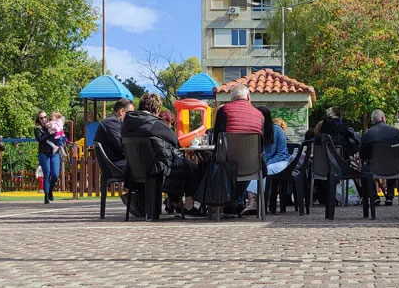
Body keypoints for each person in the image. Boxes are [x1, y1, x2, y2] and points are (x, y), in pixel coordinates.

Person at [123, 93, 201, 218]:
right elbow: (176, 141)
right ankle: (188, 206)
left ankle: (172, 202)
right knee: (193, 168)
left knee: (174, 163)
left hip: (134, 172)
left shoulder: (127, 123)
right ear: (157, 109)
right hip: (156, 170)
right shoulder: (154, 124)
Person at [211, 84, 264, 212]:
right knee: (245, 164)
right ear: (248, 97)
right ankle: (236, 201)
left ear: (232, 98)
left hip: (228, 164)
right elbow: (261, 144)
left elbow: (216, 138)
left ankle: (226, 202)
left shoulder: (224, 111)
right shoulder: (259, 115)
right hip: (252, 165)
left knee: (215, 163)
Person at [244, 106, 290, 215]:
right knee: (252, 170)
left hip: (280, 162)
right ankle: (253, 201)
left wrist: (265, 163)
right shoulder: (254, 131)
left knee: (265, 170)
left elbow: (282, 154)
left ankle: (256, 202)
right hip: (262, 163)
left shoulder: (277, 130)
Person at [359, 109, 399, 206]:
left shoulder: (367, 134)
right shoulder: (396, 132)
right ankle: (390, 197)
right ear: (383, 118)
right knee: (393, 162)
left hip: (375, 168)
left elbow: (362, 155)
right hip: (394, 168)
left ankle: (374, 196)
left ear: (372, 121)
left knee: (365, 168)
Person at [93, 98, 132, 176]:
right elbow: (121, 146)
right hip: (116, 165)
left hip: (115, 163)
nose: (131, 117)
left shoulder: (112, 122)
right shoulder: (111, 122)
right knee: (144, 167)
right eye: (130, 114)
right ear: (122, 111)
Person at [34, 110, 62, 204]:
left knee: (55, 174)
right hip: (44, 153)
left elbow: (60, 134)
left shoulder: (53, 124)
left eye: (45, 117)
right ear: (38, 119)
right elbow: (40, 140)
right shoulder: (37, 128)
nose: (43, 119)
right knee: (47, 173)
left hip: (54, 153)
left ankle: (50, 190)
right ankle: (46, 195)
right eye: (41, 118)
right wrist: (49, 134)